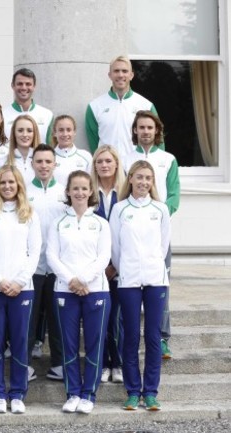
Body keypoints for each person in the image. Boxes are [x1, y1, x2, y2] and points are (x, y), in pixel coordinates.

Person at [0, 165, 41, 414]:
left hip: (23, 290)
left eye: (11, 182)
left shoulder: (30, 214)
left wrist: (20, 281)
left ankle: (18, 393)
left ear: (19, 185)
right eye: (3, 183)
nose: (7, 187)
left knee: (21, 342)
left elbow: (34, 252)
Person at [46, 170, 112, 415]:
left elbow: (104, 256)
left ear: (91, 192)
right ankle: (73, 392)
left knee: (94, 344)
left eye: (84, 188)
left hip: (96, 291)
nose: (80, 192)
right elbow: (52, 256)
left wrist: (83, 279)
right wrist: (71, 280)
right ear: (68, 192)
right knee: (69, 345)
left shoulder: (100, 223)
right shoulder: (58, 223)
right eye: (75, 188)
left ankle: (88, 394)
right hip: (65, 290)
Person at [110, 160, 171, 411]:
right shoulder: (120, 209)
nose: (144, 182)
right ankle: (133, 391)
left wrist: (152, 265)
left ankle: (151, 392)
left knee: (154, 337)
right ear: (131, 179)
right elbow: (115, 248)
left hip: (156, 279)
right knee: (131, 336)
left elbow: (163, 244)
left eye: (149, 178)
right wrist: (126, 269)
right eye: (139, 177)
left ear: (152, 181)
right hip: (129, 280)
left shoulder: (160, 209)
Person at [123, 110, 180, 360]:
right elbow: (121, 193)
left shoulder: (168, 159)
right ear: (135, 131)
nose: (145, 131)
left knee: (161, 286)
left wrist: (155, 214)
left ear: (157, 131)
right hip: (131, 233)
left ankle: (162, 338)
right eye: (141, 127)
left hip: (157, 233)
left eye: (150, 127)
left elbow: (174, 196)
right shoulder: (125, 159)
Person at [26, 144, 66, 382]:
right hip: (32, 267)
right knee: (29, 320)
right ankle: (24, 365)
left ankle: (60, 365)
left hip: (58, 268)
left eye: (47, 162)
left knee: (57, 319)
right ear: (32, 164)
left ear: (54, 164)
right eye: (39, 161)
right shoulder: (23, 192)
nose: (43, 166)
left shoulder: (64, 193)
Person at [91, 145, 126, 385]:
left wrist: (115, 263)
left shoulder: (124, 192)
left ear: (116, 164)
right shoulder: (89, 193)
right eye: (99, 162)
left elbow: (126, 234)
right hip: (95, 268)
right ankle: (103, 363)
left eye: (108, 161)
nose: (104, 165)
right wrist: (100, 264)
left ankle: (119, 363)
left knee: (118, 319)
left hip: (119, 267)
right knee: (100, 319)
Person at [85, 55, 160, 158]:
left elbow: (158, 140)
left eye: (124, 71)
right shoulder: (94, 107)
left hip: (136, 168)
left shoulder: (146, 105)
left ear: (131, 75)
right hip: (109, 169)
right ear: (110, 75)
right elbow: (94, 145)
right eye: (116, 71)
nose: (120, 75)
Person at [3, 68, 54, 143]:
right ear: (12, 85)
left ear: (34, 86)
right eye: (20, 84)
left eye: (28, 84)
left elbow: (52, 148)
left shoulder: (47, 115)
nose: (24, 88)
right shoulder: (2, 115)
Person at [51, 115, 92, 187]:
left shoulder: (86, 156)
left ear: (74, 132)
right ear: (55, 133)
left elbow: (91, 184)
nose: (65, 134)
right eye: (61, 130)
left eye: (68, 130)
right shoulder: (49, 157)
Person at [6, 114, 41, 186]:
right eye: (20, 130)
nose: (25, 134)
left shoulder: (44, 163)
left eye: (29, 130)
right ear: (14, 133)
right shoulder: (2, 162)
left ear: (35, 134)